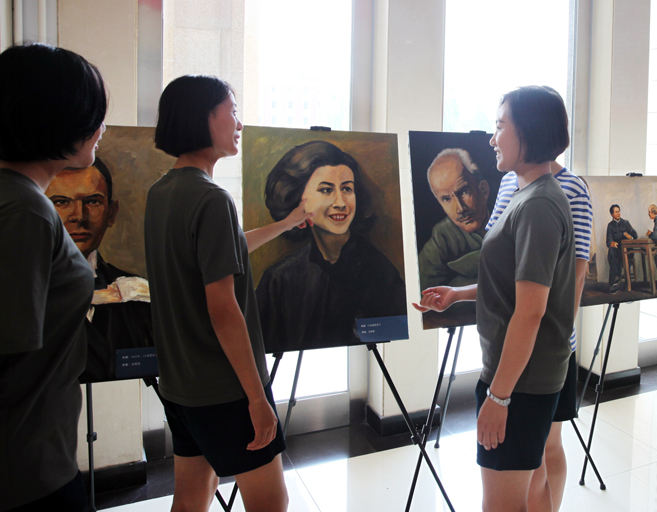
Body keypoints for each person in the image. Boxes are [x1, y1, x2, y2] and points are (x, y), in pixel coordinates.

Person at [146, 75, 308, 512]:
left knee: (192, 496)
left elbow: (226, 251)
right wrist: (257, 398)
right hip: (225, 389)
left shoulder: (161, 193)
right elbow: (223, 309)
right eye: (232, 110)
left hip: (181, 386)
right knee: (271, 503)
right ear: (204, 117)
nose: (239, 122)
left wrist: (287, 223)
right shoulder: (212, 199)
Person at [414, 86, 575, 512]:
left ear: (529, 132)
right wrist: (457, 295)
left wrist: (499, 397)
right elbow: (516, 287)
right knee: (531, 489)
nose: (492, 138)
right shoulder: (528, 195)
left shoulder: (539, 205)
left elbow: (531, 311)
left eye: (500, 125)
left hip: (521, 384)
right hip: (524, 378)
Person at [0, 43, 106, 512]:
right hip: (25, 471)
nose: (101, 131)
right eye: (94, 116)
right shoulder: (25, 212)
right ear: (58, 119)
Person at [485, 162, 591, 511]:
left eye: (501, 125)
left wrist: (555, 340)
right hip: (515, 338)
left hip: (548, 348)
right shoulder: (507, 183)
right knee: (532, 455)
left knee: (546, 447)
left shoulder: (569, 189)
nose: (493, 138)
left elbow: (574, 273)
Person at [256, 140, 407, 352]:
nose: (341, 202)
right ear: (299, 198)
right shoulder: (279, 279)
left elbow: (392, 326)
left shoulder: (380, 273)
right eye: (326, 190)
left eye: (347, 189)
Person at [46, 158, 153, 382]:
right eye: (62, 202)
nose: (79, 216)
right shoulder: (23, 293)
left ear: (111, 212)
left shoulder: (138, 294)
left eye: (92, 202)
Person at [418, 147, 491, 289]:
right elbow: (425, 292)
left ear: (483, 189)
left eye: (464, 191)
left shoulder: (511, 217)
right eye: (446, 199)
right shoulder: (442, 236)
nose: (460, 209)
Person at [605, 204, 638, 289]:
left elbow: (635, 235)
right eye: (616, 212)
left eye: (619, 211)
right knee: (612, 252)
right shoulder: (610, 225)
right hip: (616, 251)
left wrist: (629, 236)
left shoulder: (626, 223)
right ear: (612, 214)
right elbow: (608, 241)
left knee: (614, 256)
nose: (618, 213)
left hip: (627, 251)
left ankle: (615, 279)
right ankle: (614, 281)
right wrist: (612, 243)